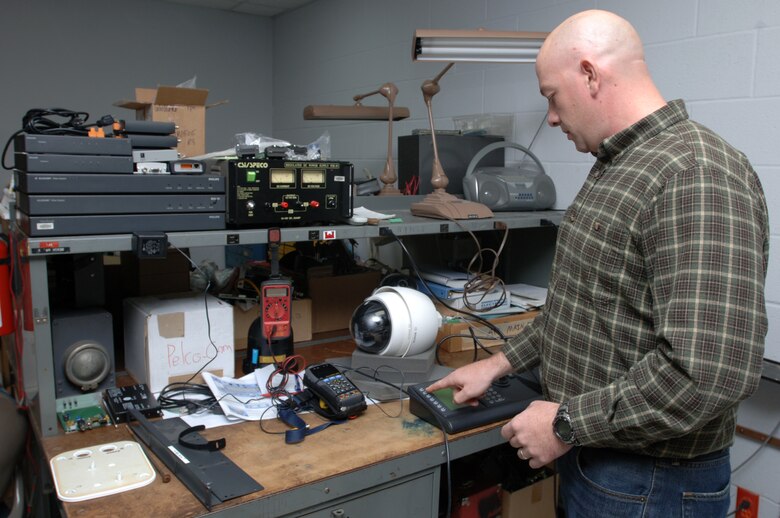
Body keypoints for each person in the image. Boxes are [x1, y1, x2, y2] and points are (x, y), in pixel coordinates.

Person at [427, 9, 768, 517]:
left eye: (551, 96)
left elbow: (706, 374)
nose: (552, 117)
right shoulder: (618, 166)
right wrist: (498, 364)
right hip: (600, 461)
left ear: (589, 74)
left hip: (651, 482)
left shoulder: (694, 174)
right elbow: (581, 309)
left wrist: (565, 424)